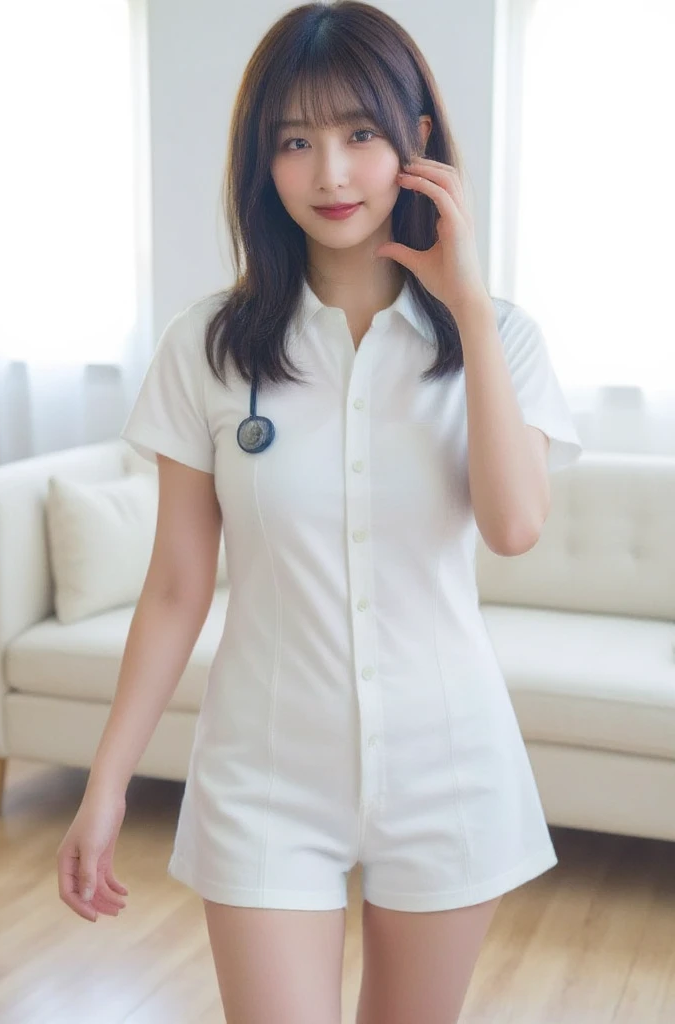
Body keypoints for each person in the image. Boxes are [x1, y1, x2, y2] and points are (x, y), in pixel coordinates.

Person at [56, 2, 583, 1022]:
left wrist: (466, 303)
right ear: (263, 163)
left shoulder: (500, 338)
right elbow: (175, 586)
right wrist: (105, 779)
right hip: (263, 772)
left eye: (359, 133)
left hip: (448, 765)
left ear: (416, 142)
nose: (331, 174)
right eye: (294, 142)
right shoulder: (208, 345)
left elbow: (513, 526)